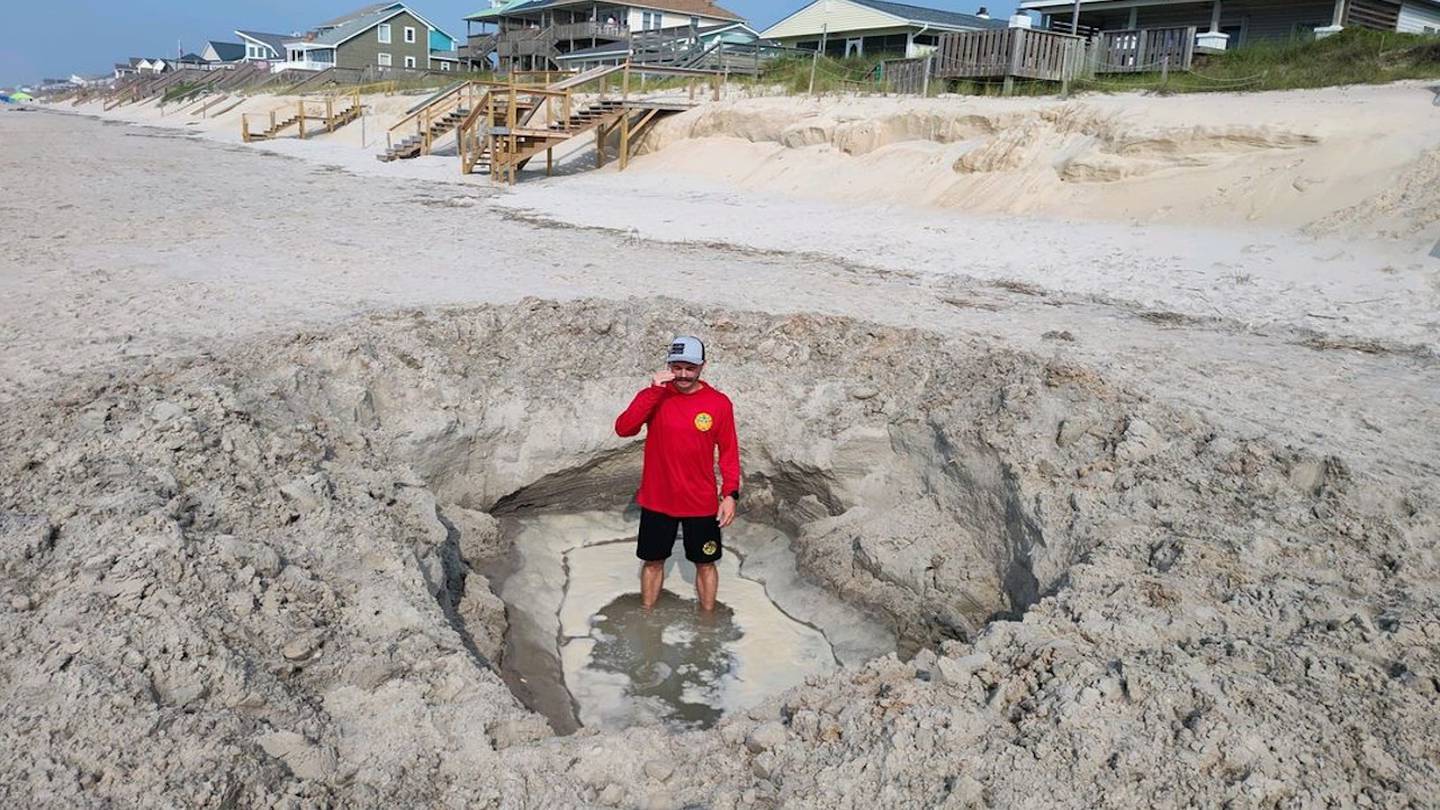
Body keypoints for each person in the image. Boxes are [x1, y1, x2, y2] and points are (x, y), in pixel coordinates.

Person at [614, 336, 740, 612]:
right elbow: (624, 428)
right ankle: (647, 619)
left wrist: (730, 494)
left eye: (690, 368)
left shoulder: (718, 403)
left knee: (706, 564)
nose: (683, 375)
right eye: (677, 367)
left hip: (701, 502)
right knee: (653, 562)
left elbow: (729, 454)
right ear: (669, 365)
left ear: (702, 367)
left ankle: (707, 624)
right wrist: (652, 392)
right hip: (658, 500)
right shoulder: (655, 396)